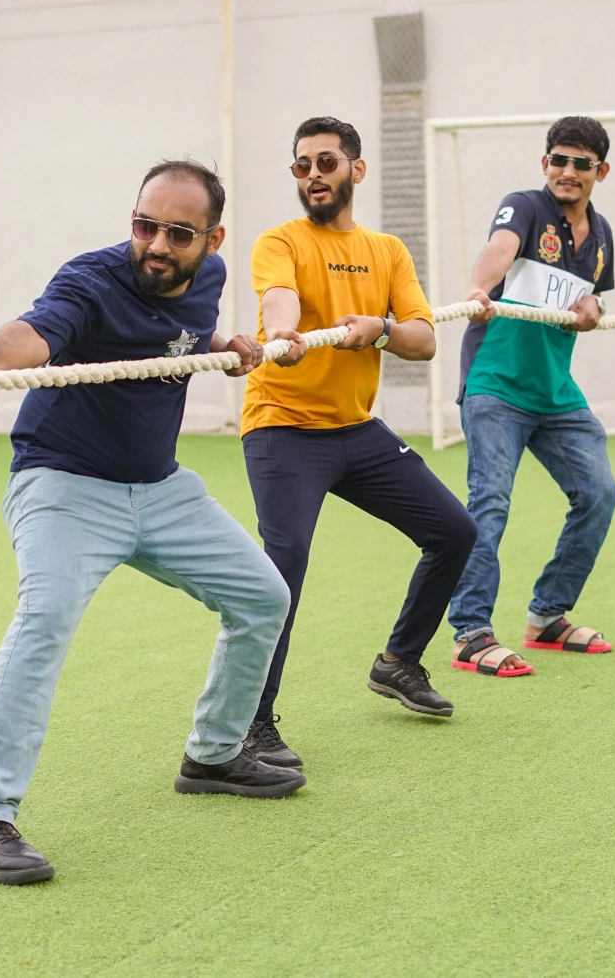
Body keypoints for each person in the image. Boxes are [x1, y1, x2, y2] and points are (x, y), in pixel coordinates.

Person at [0, 159, 303, 886]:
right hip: (64, 485)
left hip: (161, 490)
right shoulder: (90, 280)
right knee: (44, 619)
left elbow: (181, 336)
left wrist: (221, 348)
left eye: (177, 232)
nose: (156, 245)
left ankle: (213, 754)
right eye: (144, 226)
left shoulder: (211, 277)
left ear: (212, 238)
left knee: (263, 597)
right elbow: (36, 334)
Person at [237, 116, 478, 769]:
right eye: (300, 166)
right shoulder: (278, 241)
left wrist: (377, 329)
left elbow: (424, 339)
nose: (312, 176)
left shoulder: (387, 250)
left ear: (355, 170)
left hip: (356, 431)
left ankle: (399, 661)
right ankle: (250, 724)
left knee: (454, 531)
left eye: (324, 163)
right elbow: (278, 301)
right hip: (283, 426)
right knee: (281, 570)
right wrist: (283, 336)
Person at [445, 116, 615, 679]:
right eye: (558, 160)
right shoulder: (523, 206)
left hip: (556, 393)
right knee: (490, 502)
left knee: (599, 493)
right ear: (545, 163)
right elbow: (499, 249)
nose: (567, 172)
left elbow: (588, 302)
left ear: (601, 171)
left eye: (581, 163)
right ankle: (471, 633)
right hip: (496, 385)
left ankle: (548, 616)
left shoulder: (602, 234)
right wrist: (478, 288)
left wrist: (596, 310)